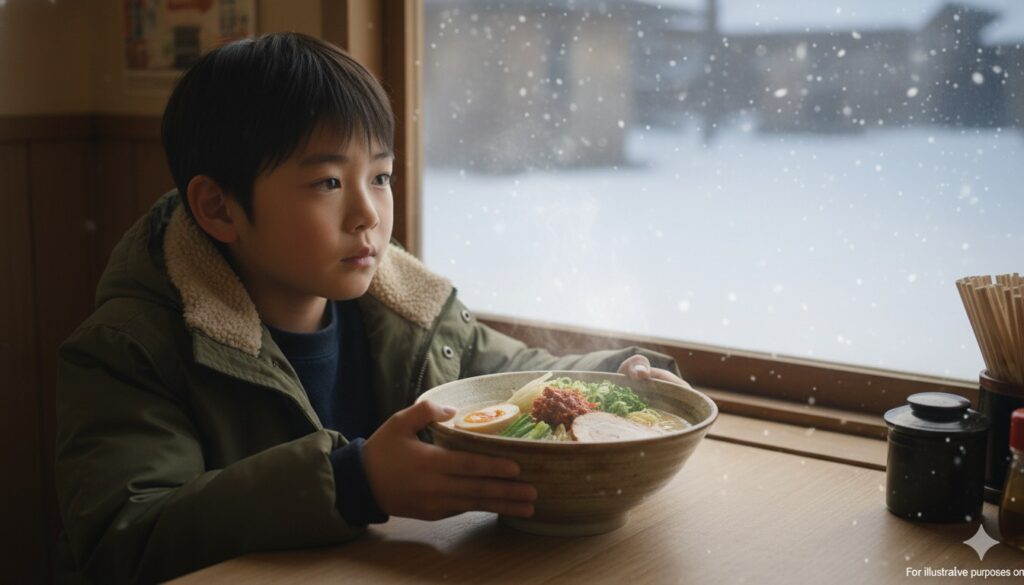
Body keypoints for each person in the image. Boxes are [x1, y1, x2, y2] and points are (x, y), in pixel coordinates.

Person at [53, 32, 687, 584]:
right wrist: (354, 483)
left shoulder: (404, 314)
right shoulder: (130, 349)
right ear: (220, 208)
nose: (369, 215)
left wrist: (620, 377)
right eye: (329, 182)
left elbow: (523, 378)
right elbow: (124, 540)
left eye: (380, 176)